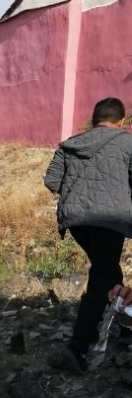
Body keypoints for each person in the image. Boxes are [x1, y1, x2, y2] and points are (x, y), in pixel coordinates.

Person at [44, 97, 132, 374]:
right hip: (110, 220)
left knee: (108, 272)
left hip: (76, 220)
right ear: (121, 121)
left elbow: (51, 181)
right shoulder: (127, 142)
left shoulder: (70, 144)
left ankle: (125, 326)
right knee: (101, 279)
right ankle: (77, 347)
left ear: (94, 120)